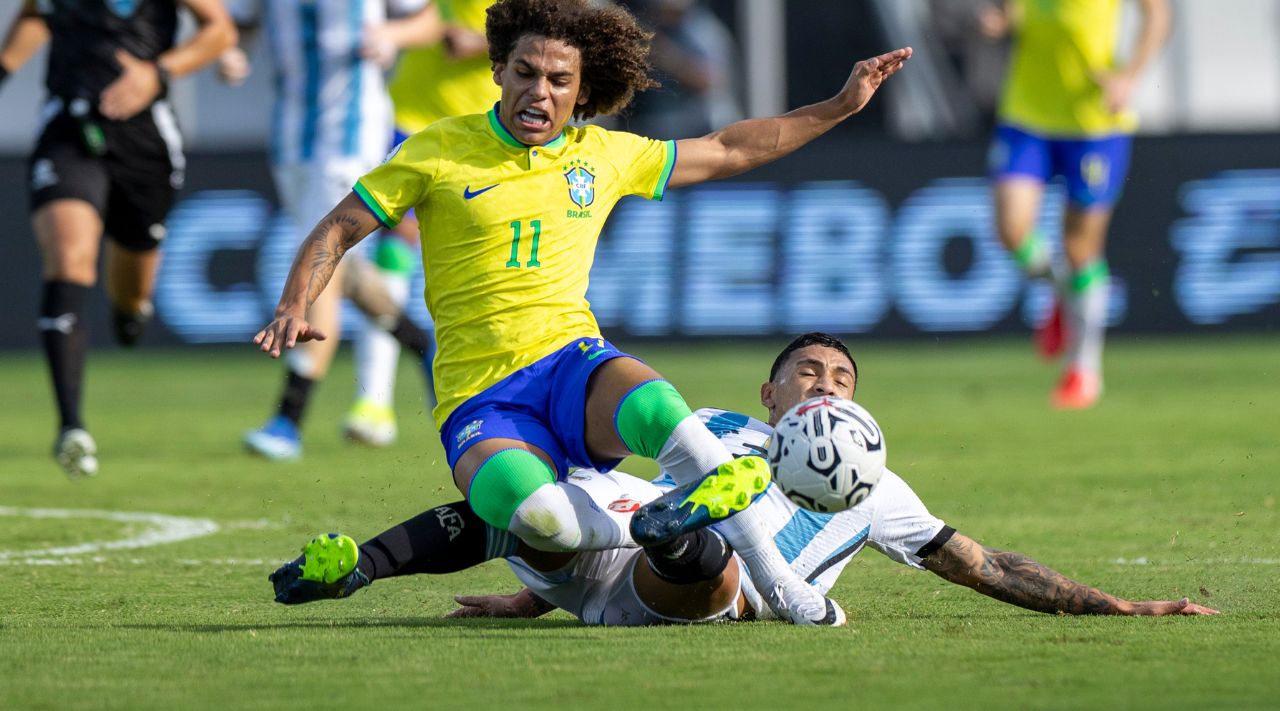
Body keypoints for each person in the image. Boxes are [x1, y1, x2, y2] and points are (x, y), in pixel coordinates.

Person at [253, 0, 912, 626]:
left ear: (581, 90)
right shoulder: (436, 150)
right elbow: (340, 224)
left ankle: (782, 585)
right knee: (542, 520)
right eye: (526, 72)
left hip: (572, 364)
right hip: (481, 398)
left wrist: (839, 106)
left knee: (661, 408)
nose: (539, 91)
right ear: (499, 71)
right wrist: (293, 303)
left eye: (558, 80)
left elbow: (728, 147)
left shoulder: (600, 155)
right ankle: (657, 518)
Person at [267, 332, 1217, 624]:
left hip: (696, 587)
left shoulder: (879, 492)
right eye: (808, 372)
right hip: (618, 545)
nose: (825, 384)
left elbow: (986, 563)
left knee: (708, 560)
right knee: (540, 511)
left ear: (859, 411)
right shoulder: (712, 427)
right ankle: (364, 563)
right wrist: (523, 606)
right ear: (771, 392)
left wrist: (1124, 608)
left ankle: (685, 531)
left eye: (842, 378)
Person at [0, 0, 235, 478]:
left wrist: (157, 73)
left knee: (131, 292)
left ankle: (131, 316)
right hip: (68, 127)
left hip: (143, 140)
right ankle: (72, 425)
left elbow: (217, 28)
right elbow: (35, 11)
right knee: (69, 258)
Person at [218, 0, 444, 460]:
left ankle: (288, 417)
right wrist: (234, 55)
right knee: (342, 273)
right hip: (291, 136)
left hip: (355, 134)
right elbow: (239, 26)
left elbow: (428, 18)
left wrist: (394, 35)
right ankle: (422, 344)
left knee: (323, 256)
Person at [339, 0, 558, 447]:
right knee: (394, 239)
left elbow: (552, 21)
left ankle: (456, 371)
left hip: (483, 124)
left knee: (449, 259)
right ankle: (374, 400)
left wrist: (485, 41)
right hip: (402, 117)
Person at [978, 0, 1172, 409]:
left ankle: (1084, 370)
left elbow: (1157, 7)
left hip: (1093, 120)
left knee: (1081, 247)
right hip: (1027, 111)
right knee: (1014, 231)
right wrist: (1003, 19)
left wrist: (1130, 75)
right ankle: (1062, 295)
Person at [628, 0, 743, 140]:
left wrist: (667, 58)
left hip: (706, 129)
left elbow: (712, 81)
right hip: (662, 127)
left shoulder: (702, 30)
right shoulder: (647, 28)